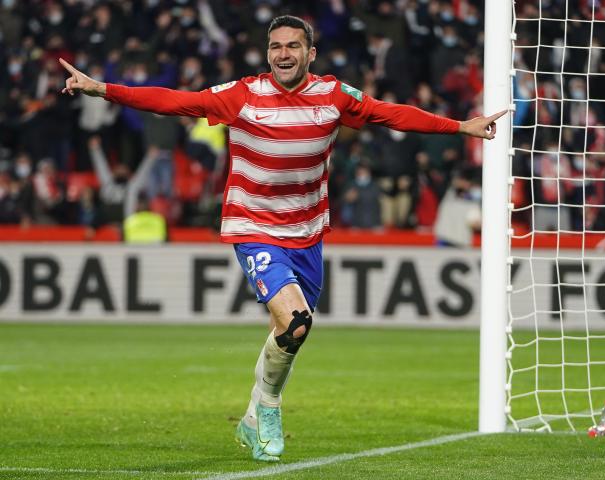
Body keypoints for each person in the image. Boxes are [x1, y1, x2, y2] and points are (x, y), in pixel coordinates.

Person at [59, 15, 506, 462]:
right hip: (254, 227)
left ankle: (252, 415)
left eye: (293, 46)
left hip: (307, 232)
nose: (283, 53)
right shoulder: (242, 95)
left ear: (311, 54)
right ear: (267, 53)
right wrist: (103, 88)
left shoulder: (332, 95)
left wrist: (460, 126)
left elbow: (390, 114)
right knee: (295, 322)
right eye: (276, 46)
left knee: (290, 332)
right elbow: (176, 101)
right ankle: (269, 408)